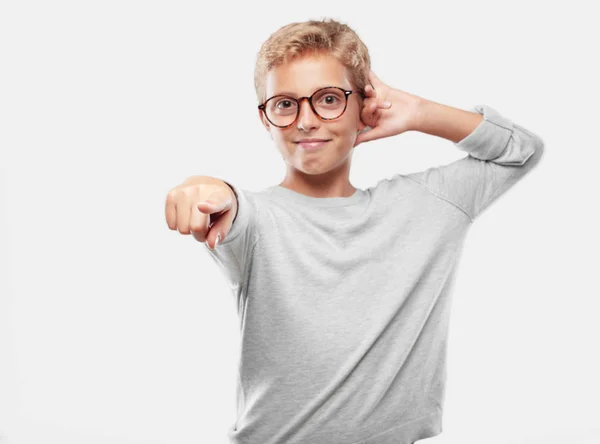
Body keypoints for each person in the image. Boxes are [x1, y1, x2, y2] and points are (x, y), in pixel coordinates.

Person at [165, 18, 544, 444]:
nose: (306, 121)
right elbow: (227, 203)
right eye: (285, 104)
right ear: (265, 119)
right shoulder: (256, 220)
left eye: (329, 99)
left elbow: (522, 152)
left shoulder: (427, 206)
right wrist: (206, 189)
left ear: (362, 106)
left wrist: (419, 112)